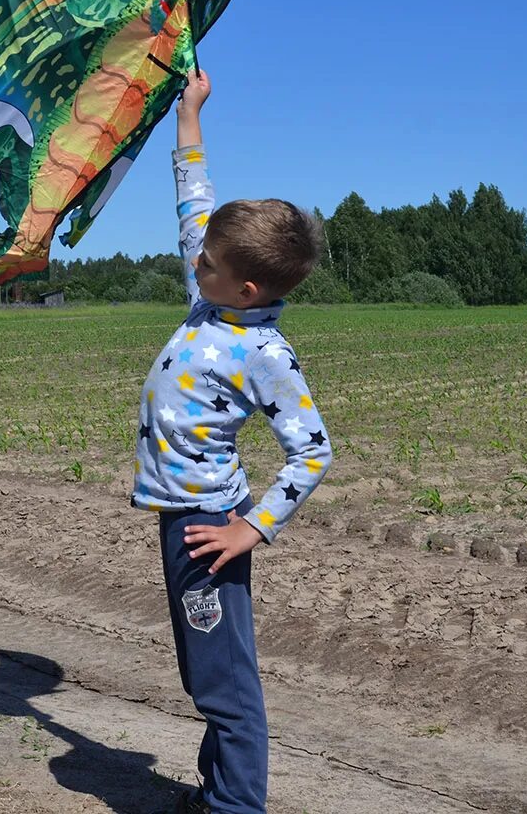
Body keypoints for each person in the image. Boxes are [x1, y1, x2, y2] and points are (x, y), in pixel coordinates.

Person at [132, 70, 333, 814]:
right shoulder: (208, 294)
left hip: (205, 529)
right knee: (204, 676)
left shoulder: (264, 355)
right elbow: (195, 202)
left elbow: (312, 451)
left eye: (208, 262)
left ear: (247, 289)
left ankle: (236, 808)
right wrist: (190, 113)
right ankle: (220, 795)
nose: (195, 260)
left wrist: (252, 529)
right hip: (179, 518)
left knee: (225, 686)